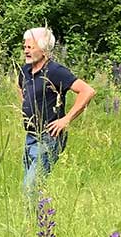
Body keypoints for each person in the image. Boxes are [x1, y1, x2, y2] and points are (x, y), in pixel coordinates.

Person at [18, 26, 96, 192]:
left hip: (49, 138)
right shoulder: (25, 70)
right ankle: (37, 217)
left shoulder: (55, 71)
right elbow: (21, 89)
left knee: (30, 188)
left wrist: (65, 120)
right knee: (31, 187)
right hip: (30, 136)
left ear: (44, 49)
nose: (26, 51)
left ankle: (38, 218)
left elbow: (87, 91)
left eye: (30, 47)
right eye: (24, 47)